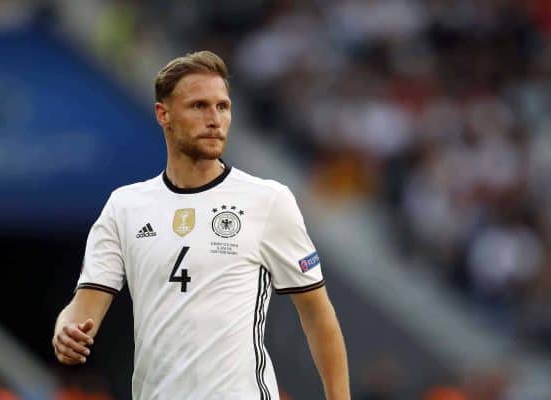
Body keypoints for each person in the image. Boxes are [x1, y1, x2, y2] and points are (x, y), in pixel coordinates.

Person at [52, 50, 350, 400]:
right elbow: (85, 303)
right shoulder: (125, 207)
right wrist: (65, 329)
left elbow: (316, 312)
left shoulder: (267, 201)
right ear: (163, 114)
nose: (215, 119)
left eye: (222, 107)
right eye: (199, 106)